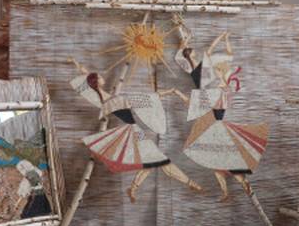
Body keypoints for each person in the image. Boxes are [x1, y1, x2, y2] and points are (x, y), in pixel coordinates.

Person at [70, 60, 201, 203]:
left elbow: (87, 81)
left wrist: (77, 65)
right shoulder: (113, 101)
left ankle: (133, 188)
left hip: (132, 131)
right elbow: (145, 99)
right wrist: (170, 92)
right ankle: (190, 183)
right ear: (97, 82)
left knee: (151, 163)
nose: (102, 77)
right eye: (99, 77)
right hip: (134, 133)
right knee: (161, 161)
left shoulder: (104, 101)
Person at [171, 25, 268, 200]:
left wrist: (188, 40)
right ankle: (227, 189)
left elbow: (187, 53)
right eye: (192, 52)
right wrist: (223, 37)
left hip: (211, 102)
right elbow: (209, 50)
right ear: (192, 54)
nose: (194, 52)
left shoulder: (195, 67)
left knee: (219, 148)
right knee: (217, 158)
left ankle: (235, 181)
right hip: (211, 101)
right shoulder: (199, 67)